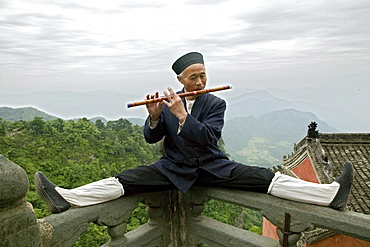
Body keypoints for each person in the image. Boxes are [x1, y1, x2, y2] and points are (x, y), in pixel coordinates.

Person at [35, 52, 353, 214]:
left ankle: (329, 195)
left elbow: (208, 139)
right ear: (181, 80)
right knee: (125, 180)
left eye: (204, 75)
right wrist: (154, 117)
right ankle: (66, 198)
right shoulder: (169, 102)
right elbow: (152, 138)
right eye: (194, 77)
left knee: (265, 178)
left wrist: (182, 115)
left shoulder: (215, 103)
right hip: (171, 168)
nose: (200, 82)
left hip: (214, 166)